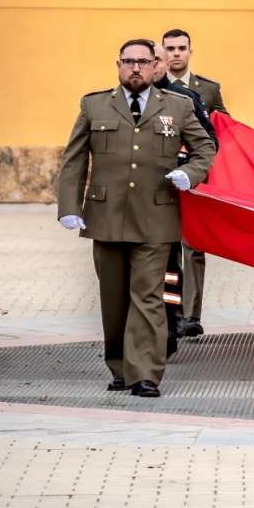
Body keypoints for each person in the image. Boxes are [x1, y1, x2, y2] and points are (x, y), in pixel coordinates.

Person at [56, 38, 215, 397]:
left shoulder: (177, 105)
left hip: (156, 218)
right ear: (118, 65)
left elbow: (206, 148)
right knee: (113, 298)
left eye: (144, 61)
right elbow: (75, 159)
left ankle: (145, 373)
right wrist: (69, 207)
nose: (136, 68)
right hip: (106, 216)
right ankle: (120, 366)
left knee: (148, 296)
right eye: (129, 61)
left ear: (155, 65)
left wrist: (191, 173)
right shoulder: (95, 105)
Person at [149, 44, 218, 354]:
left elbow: (209, 141)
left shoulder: (186, 99)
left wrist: (189, 171)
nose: (148, 66)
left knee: (171, 263)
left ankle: (172, 323)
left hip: (176, 194)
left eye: (155, 61)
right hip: (137, 199)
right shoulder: (121, 101)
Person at [162, 28, 227, 338]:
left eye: (181, 48)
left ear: (190, 51)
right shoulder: (155, 88)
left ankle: (191, 315)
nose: (176, 53)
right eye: (170, 48)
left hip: (197, 181)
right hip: (162, 181)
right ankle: (171, 313)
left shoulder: (209, 89)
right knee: (166, 248)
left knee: (194, 247)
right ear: (161, 53)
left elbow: (224, 131)